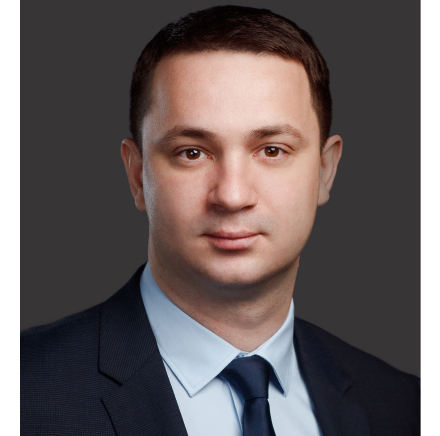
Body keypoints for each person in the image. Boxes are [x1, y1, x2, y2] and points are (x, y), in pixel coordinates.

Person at [21, 5, 420, 436]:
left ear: (325, 171)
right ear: (137, 175)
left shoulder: (405, 407)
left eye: (272, 150)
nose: (232, 196)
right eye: (192, 152)